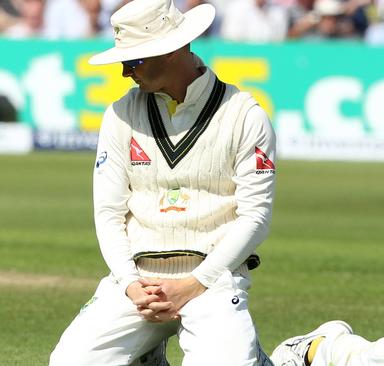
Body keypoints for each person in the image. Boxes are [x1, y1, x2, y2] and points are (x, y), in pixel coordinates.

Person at [49, 0, 276, 364]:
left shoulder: (244, 115)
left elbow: (256, 216)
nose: (125, 73)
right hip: (139, 280)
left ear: (171, 50)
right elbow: (108, 212)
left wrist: (194, 283)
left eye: (133, 61)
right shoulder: (121, 113)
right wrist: (128, 282)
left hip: (213, 281)